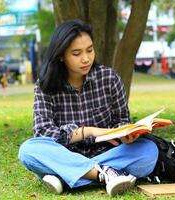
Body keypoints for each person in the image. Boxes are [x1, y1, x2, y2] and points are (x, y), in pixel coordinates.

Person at [18, 19, 158, 197]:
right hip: (64, 154)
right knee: (29, 151)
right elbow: (44, 134)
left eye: (90, 50)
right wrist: (88, 131)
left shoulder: (109, 78)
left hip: (106, 152)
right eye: (76, 53)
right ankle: (105, 174)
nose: (86, 59)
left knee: (148, 151)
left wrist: (126, 134)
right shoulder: (45, 86)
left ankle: (65, 176)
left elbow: (121, 119)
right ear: (61, 55)